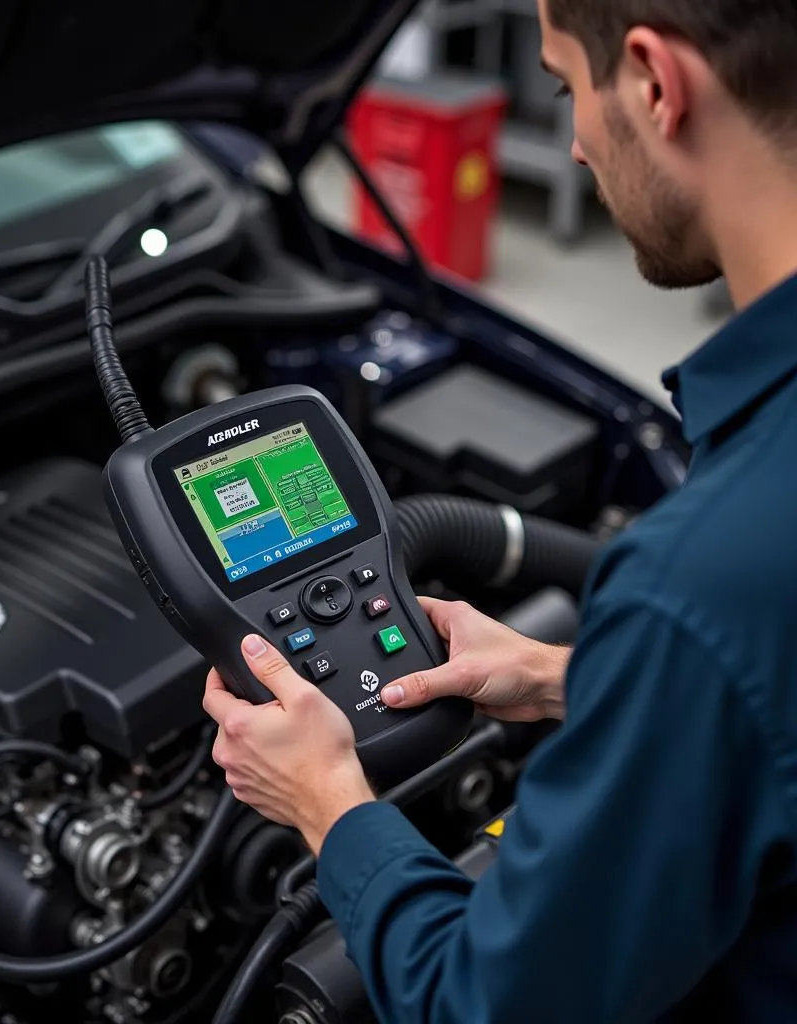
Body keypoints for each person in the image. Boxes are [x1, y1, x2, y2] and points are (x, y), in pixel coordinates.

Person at [202, 0, 797, 1020]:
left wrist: (329, 805)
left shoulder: (694, 586)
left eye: (567, 86)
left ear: (655, 83)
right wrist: (582, 679)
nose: (568, 143)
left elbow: (487, 1003)